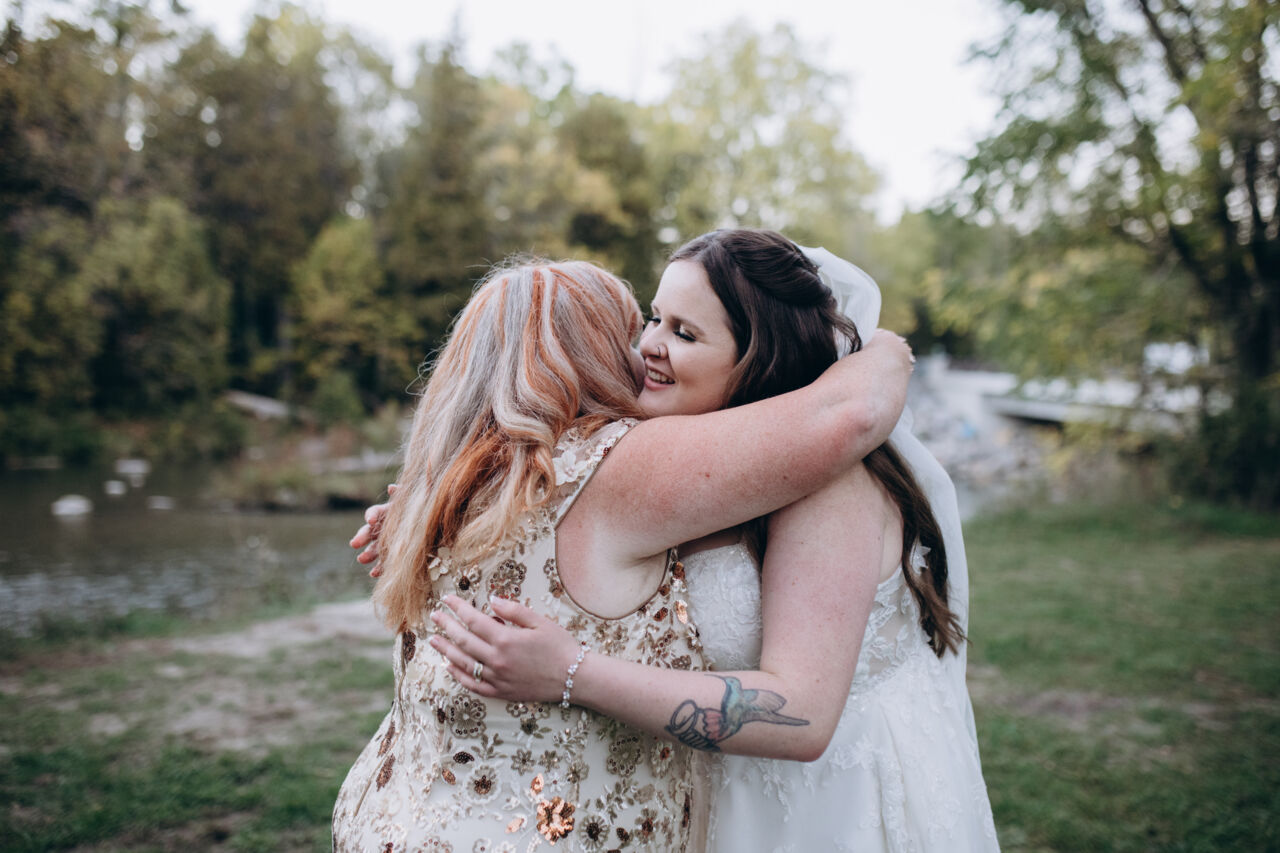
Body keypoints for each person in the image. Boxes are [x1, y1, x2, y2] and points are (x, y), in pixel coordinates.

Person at [414, 230, 1000, 852]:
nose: (648, 345)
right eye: (655, 318)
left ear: (759, 361)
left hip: (830, 803)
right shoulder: (690, 470)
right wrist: (427, 513)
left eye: (685, 334)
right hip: (721, 793)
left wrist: (570, 673)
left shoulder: (831, 489)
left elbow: (802, 717)